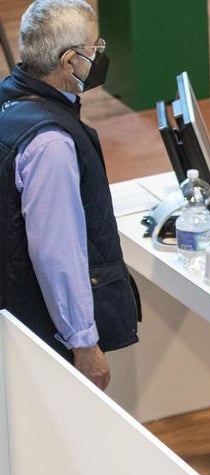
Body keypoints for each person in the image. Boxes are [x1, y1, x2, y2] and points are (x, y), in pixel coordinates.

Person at [0, 0, 138, 390]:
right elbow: (56, 251)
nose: (100, 57)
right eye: (95, 50)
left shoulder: (8, 101)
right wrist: (83, 343)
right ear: (69, 61)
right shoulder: (51, 144)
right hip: (38, 329)